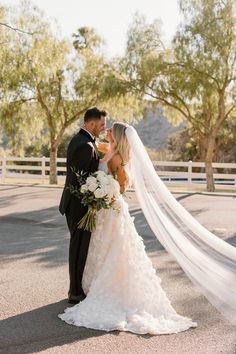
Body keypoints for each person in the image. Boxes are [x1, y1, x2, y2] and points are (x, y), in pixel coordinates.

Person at [59, 122, 236, 334]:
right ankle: (90, 286)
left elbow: (122, 185)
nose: (106, 131)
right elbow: (97, 161)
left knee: (112, 248)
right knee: (103, 248)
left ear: (115, 136)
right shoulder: (107, 150)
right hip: (105, 210)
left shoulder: (117, 158)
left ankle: (104, 289)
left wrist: (107, 190)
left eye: (109, 130)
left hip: (112, 210)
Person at [59, 107, 107, 304]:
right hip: (79, 205)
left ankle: (76, 289)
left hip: (80, 204)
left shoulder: (83, 141)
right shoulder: (84, 145)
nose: (103, 128)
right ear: (92, 123)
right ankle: (75, 291)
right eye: (102, 125)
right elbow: (80, 181)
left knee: (80, 247)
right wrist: (94, 197)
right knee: (78, 248)